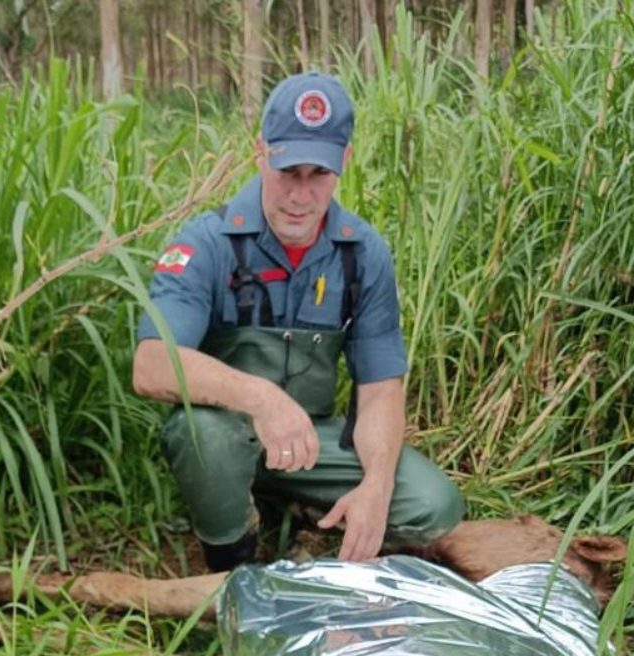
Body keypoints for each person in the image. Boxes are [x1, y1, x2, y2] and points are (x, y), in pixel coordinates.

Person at [132, 71, 464, 571]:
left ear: (344, 163)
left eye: (319, 175)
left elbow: (379, 389)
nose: (300, 196)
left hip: (313, 440)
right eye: (288, 171)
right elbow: (151, 365)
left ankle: (306, 505)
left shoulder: (363, 252)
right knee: (203, 434)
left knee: (435, 505)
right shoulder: (207, 242)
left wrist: (376, 485)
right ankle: (232, 558)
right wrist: (262, 399)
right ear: (260, 152)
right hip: (231, 432)